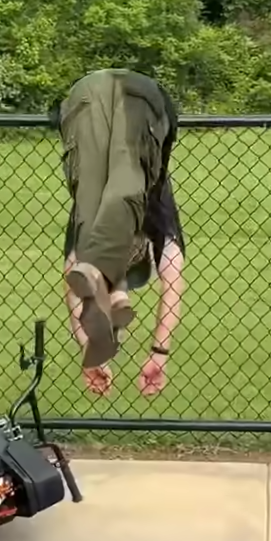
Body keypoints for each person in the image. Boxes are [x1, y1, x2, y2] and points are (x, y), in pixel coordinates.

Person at [51, 68, 186, 396]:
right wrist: (159, 352)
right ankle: (112, 291)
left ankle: (113, 292)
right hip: (106, 101)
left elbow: (173, 279)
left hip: (99, 94)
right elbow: (172, 280)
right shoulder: (156, 200)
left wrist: (89, 351)